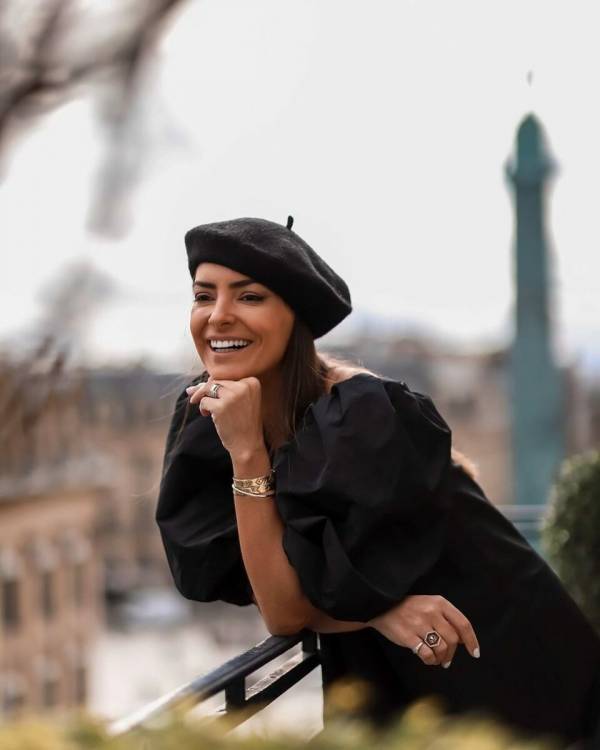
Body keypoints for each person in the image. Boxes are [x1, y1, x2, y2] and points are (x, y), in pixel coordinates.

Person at [155, 216, 600, 747]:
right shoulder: (208, 419)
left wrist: (248, 453)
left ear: (295, 317)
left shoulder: (360, 412)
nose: (218, 315)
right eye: (203, 296)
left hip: (502, 661)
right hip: (400, 673)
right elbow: (276, 587)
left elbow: (286, 610)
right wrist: (373, 614)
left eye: (249, 296)